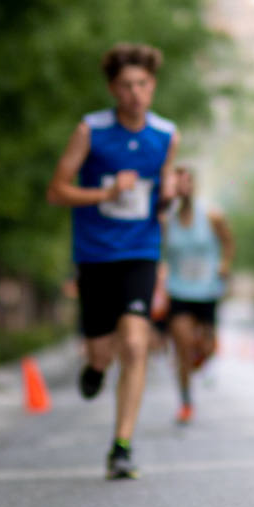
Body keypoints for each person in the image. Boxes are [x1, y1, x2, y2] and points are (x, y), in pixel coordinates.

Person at [47, 42, 179, 479]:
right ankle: (95, 366)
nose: (135, 93)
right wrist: (105, 193)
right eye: (126, 86)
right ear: (112, 89)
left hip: (140, 252)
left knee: (137, 343)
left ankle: (121, 445)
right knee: (103, 351)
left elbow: (160, 200)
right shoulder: (91, 131)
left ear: (152, 86)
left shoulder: (166, 135)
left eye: (142, 84)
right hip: (95, 256)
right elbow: (57, 190)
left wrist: (170, 196)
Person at [161, 165, 236, 425]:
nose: (183, 187)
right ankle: (185, 401)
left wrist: (224, 264)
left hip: (207, 290)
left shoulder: (212, 215)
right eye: (177, 182)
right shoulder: (165, 219)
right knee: (181, 344)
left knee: (207, 348)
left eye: (187, 181)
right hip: (178, 290)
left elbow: (228, 242)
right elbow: (157, 251)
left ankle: (196, 364)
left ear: (194, 185)